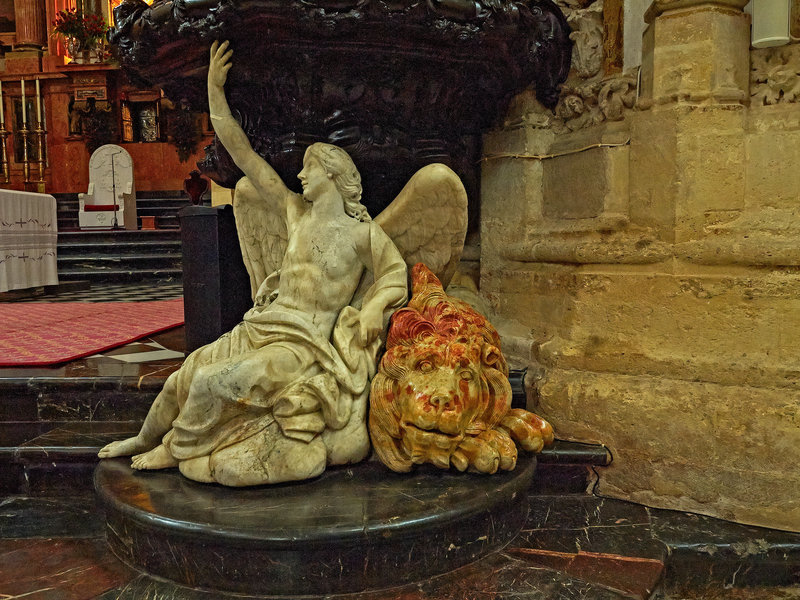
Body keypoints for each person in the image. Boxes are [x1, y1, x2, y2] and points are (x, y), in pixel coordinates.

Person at [99, 40, 408, 486]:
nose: (300, 175)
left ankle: (174, 448)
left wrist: (376, 307)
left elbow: (396, 274)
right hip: (262, 326)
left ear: (334, 176)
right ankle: (142, 439)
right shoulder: (294, 212)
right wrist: (214, 92)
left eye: (309, 168)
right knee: (182, 379)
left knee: (211, 383)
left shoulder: (362, 234)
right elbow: (244, 155)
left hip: (301, 348)